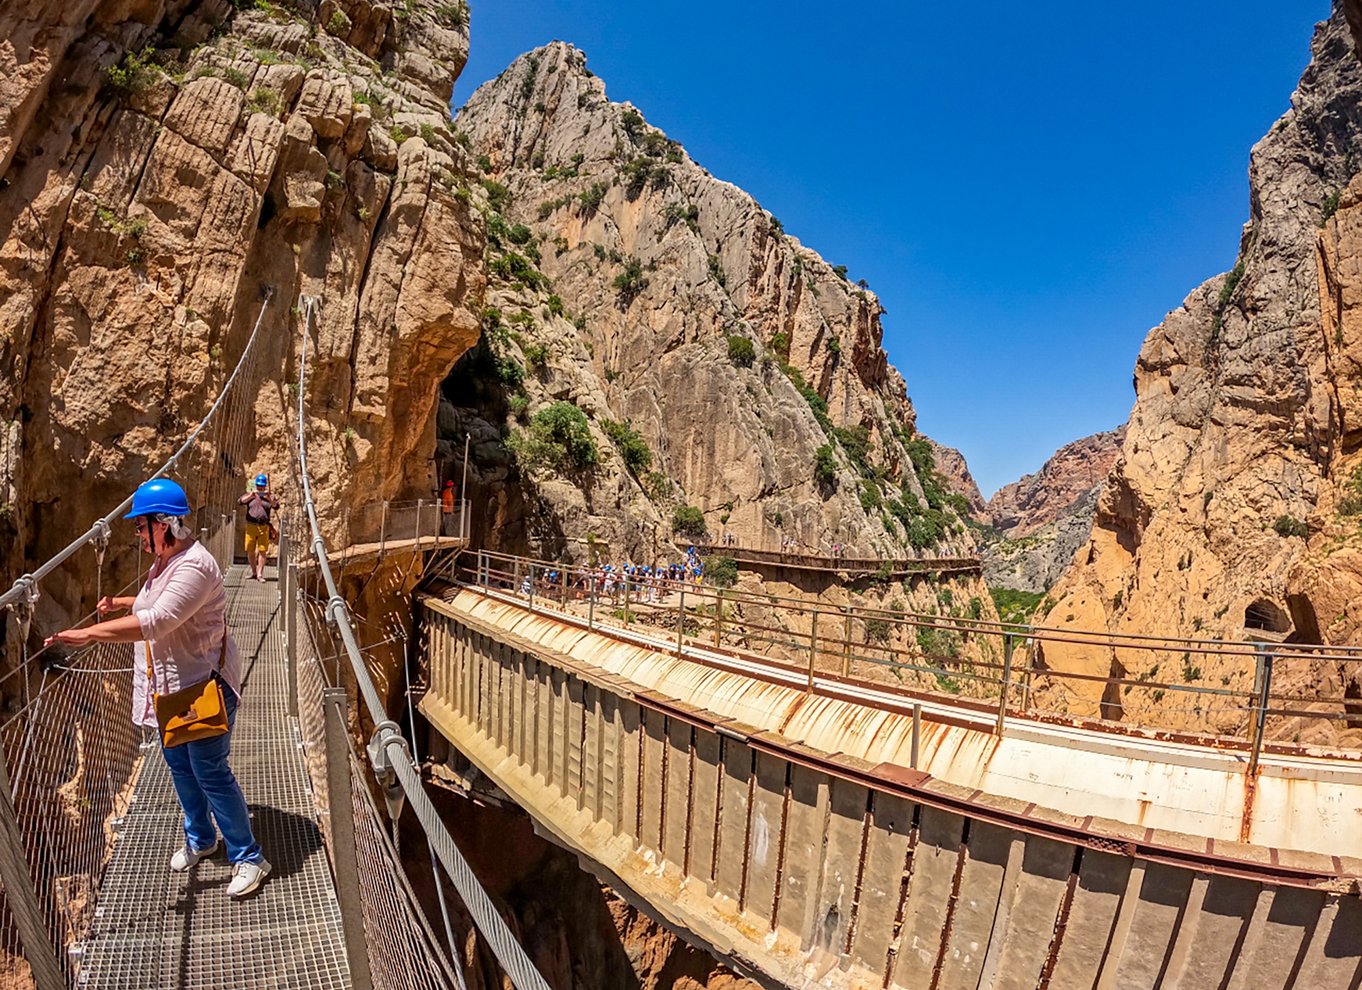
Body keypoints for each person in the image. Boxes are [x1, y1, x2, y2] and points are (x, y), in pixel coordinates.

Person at [45, 478, 270, 897]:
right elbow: (156, 604)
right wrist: (123, 603)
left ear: (164, 524)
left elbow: (160, 620)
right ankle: (202, 839)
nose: (136, 534)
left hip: (202, 688)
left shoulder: (196, 566)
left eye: (141, 525)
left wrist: (93, 634)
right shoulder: (165, 562)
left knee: (210, 773)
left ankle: (249, 857)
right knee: (182, 770)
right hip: (169, 691)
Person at [237, 473, 278, 582]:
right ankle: (254, 572)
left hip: (263, 527)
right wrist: (251, 495)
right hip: (251, 526)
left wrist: (269, 498)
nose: (260, 488)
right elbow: (240, 501)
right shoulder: (249, 495)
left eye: (262, 486)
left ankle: (260, 574)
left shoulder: (270, 497)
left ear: (265, 486)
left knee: (262, 551)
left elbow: (276, 506)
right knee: (250, 550)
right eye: (258, 486)